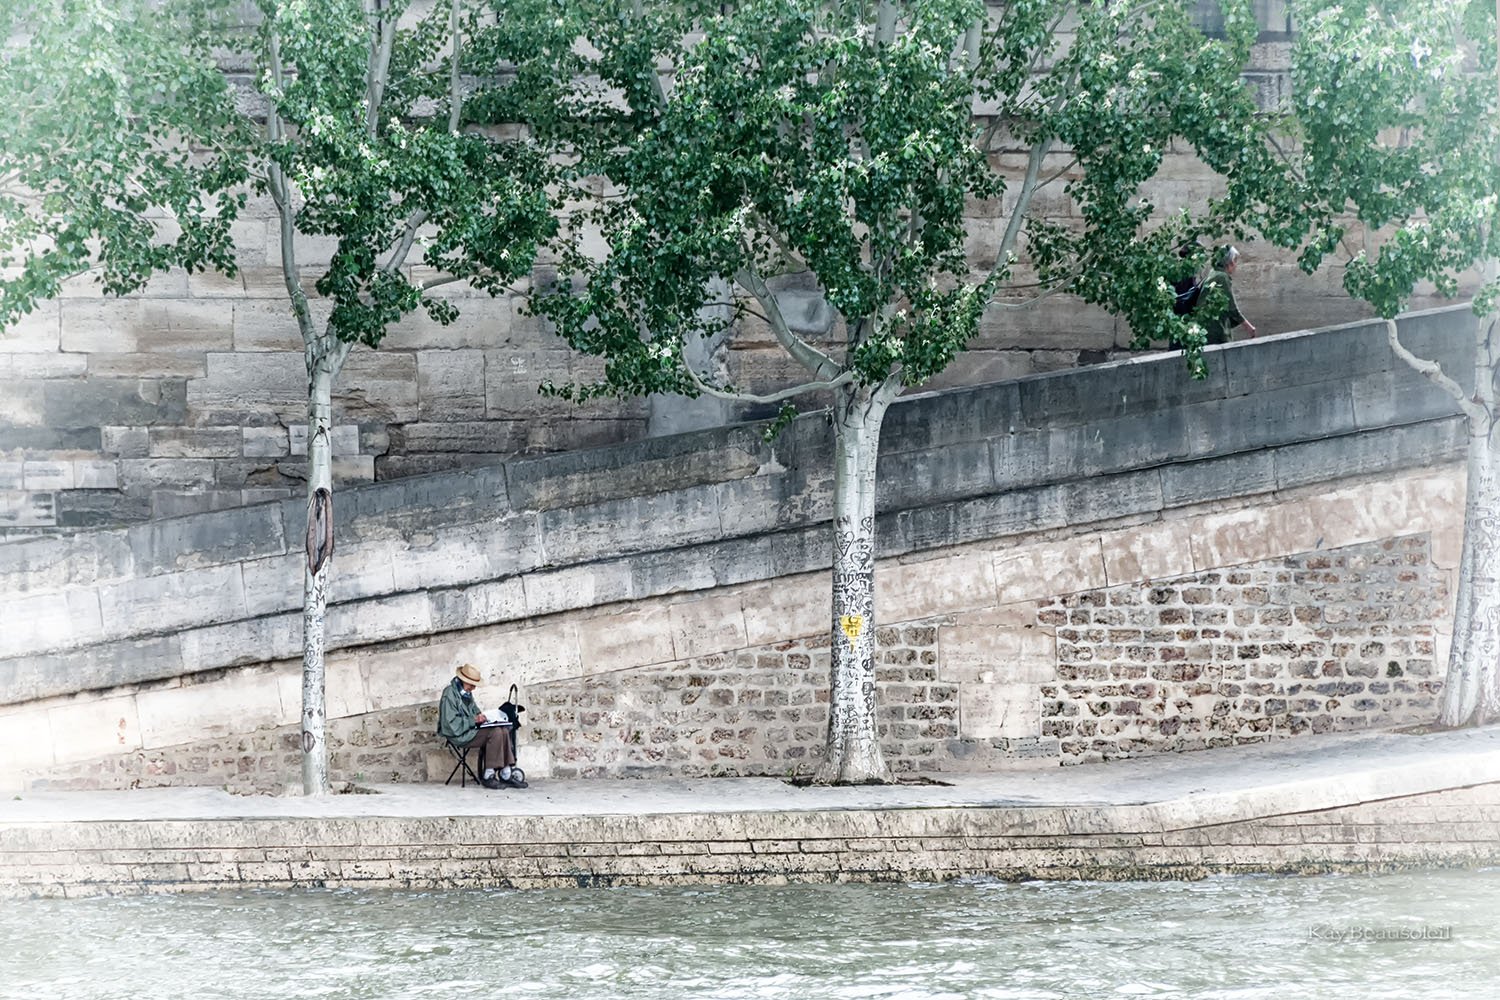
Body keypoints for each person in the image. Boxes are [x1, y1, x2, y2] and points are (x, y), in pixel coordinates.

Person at [438, 663, 527, 789]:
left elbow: (475, 711)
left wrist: (483, 717)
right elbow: (451, 724)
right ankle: (488, 775)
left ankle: (505, 773)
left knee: (503, 730)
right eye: (472, 684)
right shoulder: (449, 695)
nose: (473, 688)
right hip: (458, 735)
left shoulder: (466, 693)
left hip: (470, 731)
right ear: (464, 680)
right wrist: (474, 720)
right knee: (495, 732)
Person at [1198, 245, 1257, 345]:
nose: (1236, 265)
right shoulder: (1221, 277)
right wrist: (1248, 326)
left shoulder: (1214, 272)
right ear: (1230, 262)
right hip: (1214, 327)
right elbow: (1231, 307)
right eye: (1235, 261)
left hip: (1207, 324)